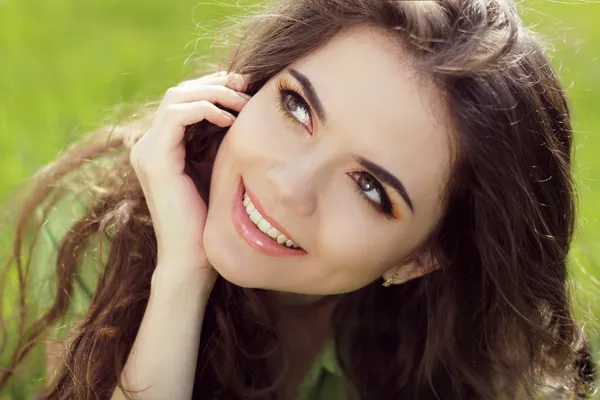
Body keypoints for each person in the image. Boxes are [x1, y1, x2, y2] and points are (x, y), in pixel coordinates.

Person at [0, 0, 596, 399]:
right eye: (297, 107)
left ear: (421, 257)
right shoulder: (93, 233)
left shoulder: (459, 357)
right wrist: (181, 273)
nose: (287, 185)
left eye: (369, 188)